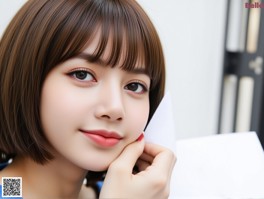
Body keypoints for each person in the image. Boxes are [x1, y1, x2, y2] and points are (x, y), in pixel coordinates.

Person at [0, 0, 176, 198]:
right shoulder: (8, 187)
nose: (115, 108)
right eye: (82, 75)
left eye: (134, 86)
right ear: (26, 76)